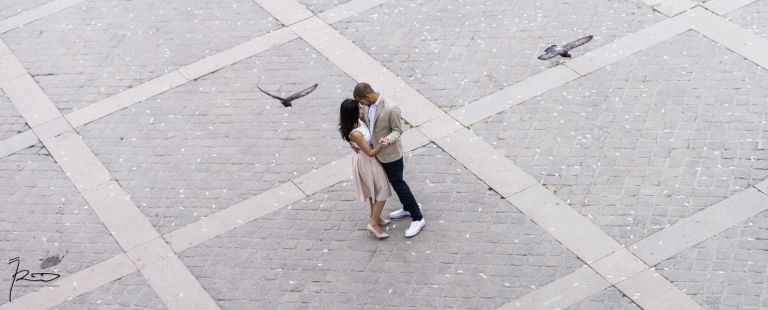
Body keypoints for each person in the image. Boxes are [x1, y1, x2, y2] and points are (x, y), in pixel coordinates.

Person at [353, 83, 425, 238]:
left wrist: (388, 140)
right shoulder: (366, 106)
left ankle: (418, 217)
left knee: (399, 184)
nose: (361, 105)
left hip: (391, 154)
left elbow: (398, 130)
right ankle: (406, 207)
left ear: (368, 96)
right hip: (376, 153)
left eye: (362, 102)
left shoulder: (391, 108)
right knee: (394, 183)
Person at [339, 99, 392, 239]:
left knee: (373, 190)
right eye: (359, 109)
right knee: (383, 191)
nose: (362, 111)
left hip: (365, 158)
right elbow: (370, 152)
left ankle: (376, 217)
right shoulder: (355, 133)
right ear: (353, 113)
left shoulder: (356, 121)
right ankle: (373, 223)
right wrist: (382, 145)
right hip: (367, 160)